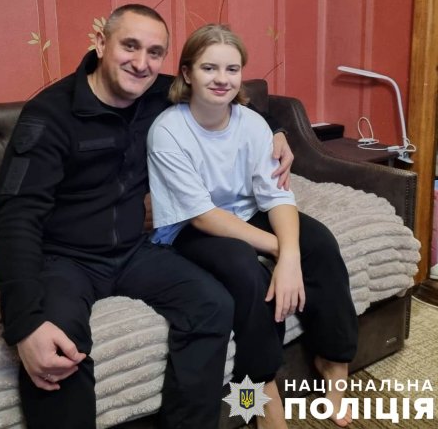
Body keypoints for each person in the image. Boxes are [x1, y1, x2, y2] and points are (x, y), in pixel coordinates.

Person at [0, 5, 294, 429]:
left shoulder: (155, 92)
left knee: (213, 305)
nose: (141, 62)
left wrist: (276, 130)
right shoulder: (49, 115)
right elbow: (14, 219)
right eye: (129, 46)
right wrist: (24, 324)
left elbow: (225, 93)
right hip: (64, 259)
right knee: (59, 348)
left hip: (135, 250)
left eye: (154, 52)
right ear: (101, 44)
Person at [147, 24, 359, 428]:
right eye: (209, 68)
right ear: (187, 73)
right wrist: (280, 250)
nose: (222, 79)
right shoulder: (168, 131)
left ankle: (334, 362)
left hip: (245, 211)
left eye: (232, 69)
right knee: (245, 272)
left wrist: (293, 254)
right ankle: (261, 393)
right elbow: (202, 214)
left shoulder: (252, 123)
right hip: (190, 226)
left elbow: (276, 196)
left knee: (320, 244)